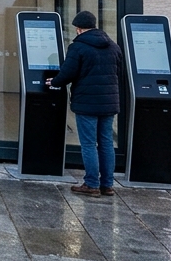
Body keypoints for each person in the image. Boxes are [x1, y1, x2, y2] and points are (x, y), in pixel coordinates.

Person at [50, 11, 124, 197]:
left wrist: (54, 82)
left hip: (87, 102)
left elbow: (68, 72)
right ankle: (107, 185)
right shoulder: (113, 46)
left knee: (89, 143)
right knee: (106, 142)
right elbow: (118, 72)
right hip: (109, 102)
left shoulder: (78, 47)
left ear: (78, 29)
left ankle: (91, 184)